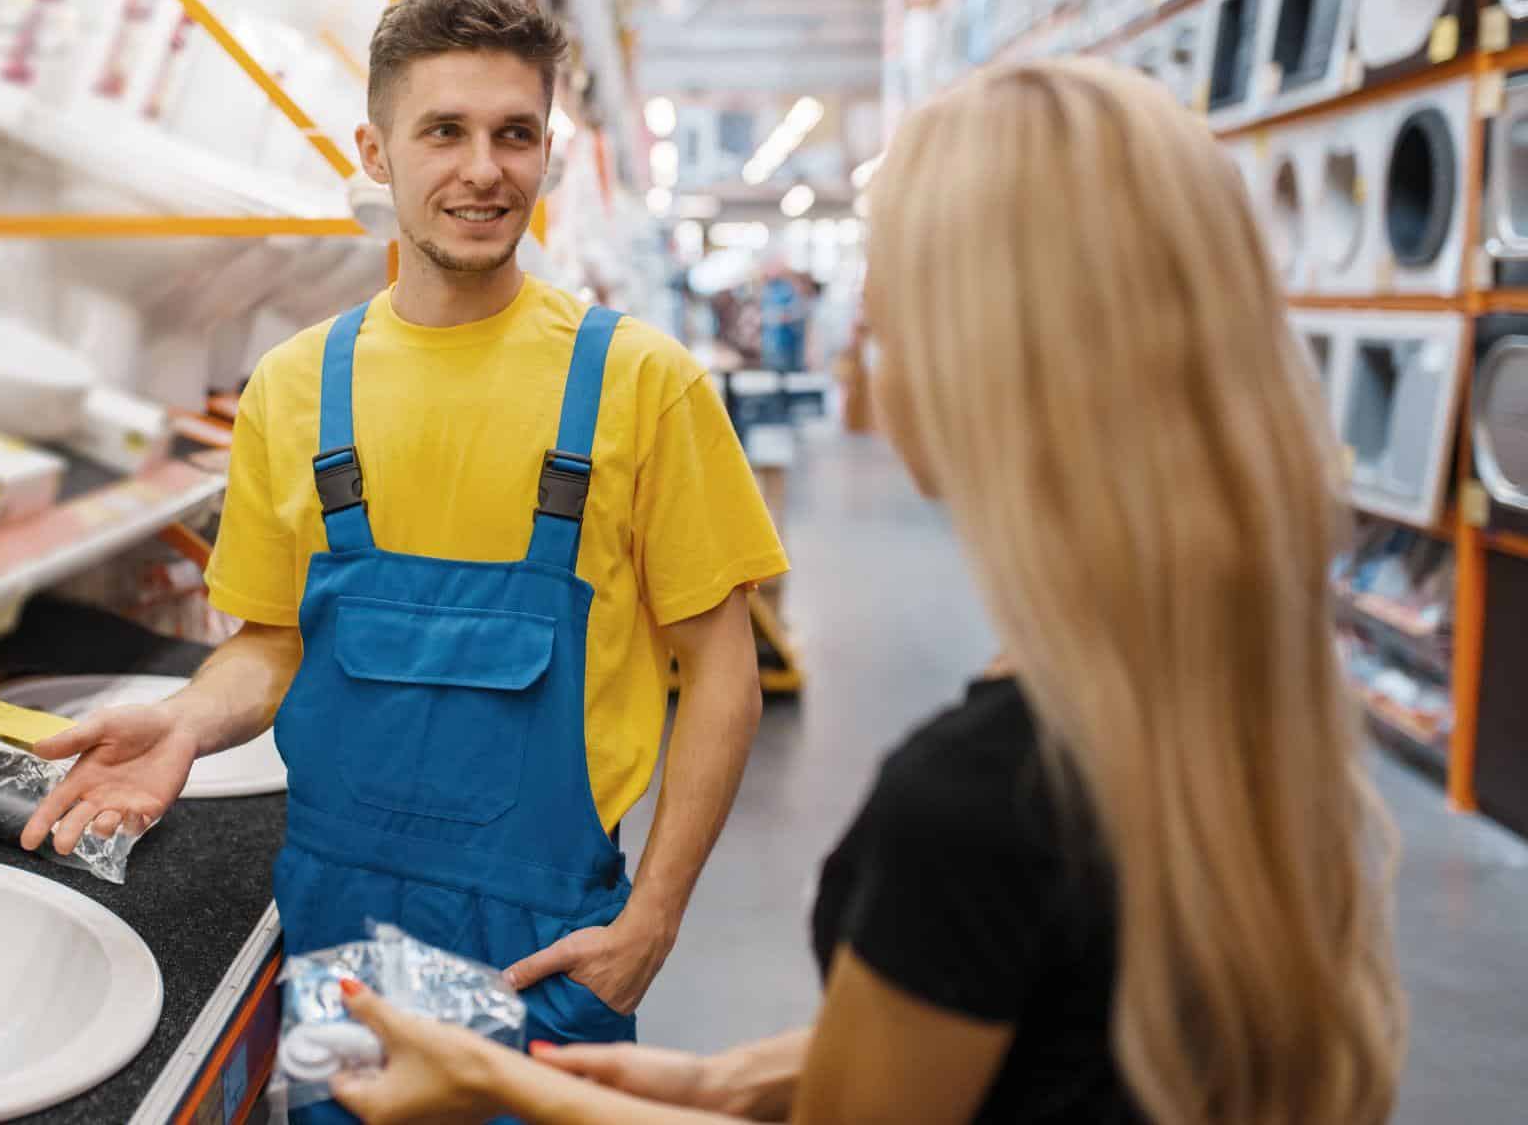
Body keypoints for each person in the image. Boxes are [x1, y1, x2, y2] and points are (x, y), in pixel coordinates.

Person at [311, 59, 1405, 1124]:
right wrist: (718, 1080)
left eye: (881, 327)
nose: (871, 366)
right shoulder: (1226, 694)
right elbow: (1044, 1035)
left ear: (976, 366)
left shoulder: (979, 804)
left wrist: (503, 1083)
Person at [19, 0, 789, 1066]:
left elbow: (721, 670)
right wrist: (188, 720)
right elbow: (275, 642)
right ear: (375, 151)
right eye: (443, 131)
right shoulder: (292, 390)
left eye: (513, 133)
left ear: (543, 152)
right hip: (339, 923)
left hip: (551, 942)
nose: (483, 169)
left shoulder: (638, 382)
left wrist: (651, 918)